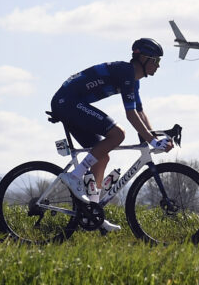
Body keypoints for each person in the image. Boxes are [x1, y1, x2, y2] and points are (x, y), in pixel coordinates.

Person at [50, 38, 174, 231]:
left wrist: (154, 138)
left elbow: (140, 112)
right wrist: (151, 140)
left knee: (102, 157)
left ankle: (92, 212)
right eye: (155, 60)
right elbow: (131, 115)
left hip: (71, 103)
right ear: (142, 58)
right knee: (117, 134)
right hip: (67, 102)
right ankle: (75, 176)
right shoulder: (126, 72)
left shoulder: (134, 81)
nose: (158, 66)